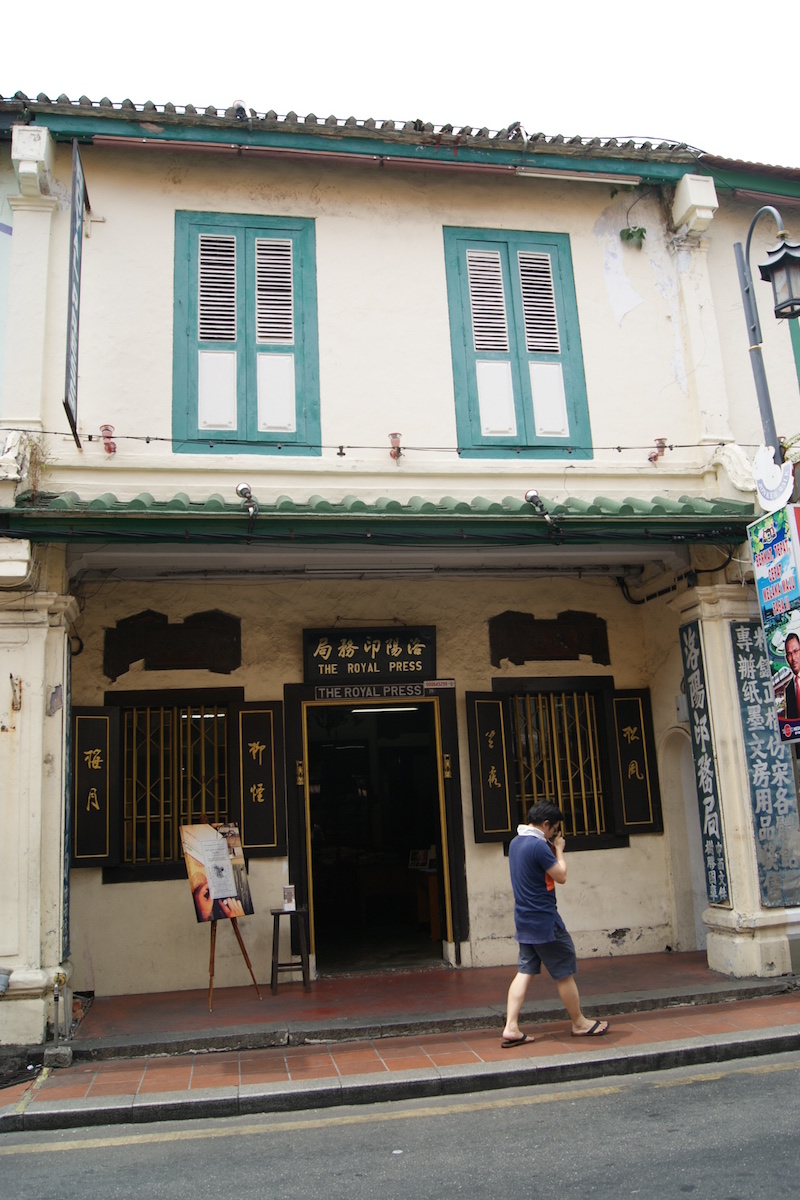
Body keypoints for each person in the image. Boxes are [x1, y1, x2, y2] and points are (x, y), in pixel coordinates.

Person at [501, 800, 609, 1047]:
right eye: (554, 829)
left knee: (525, 971)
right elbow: (560, 876)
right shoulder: (538, 845)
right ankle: (580, 1023)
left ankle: (511, 1026)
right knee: (564, 972)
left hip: (524, 919)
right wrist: (558, 849)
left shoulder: (516, 843)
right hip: (545, 920)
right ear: (546, 824)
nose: (554, 834)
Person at [783, 632, 800, 718]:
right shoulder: (788, 690)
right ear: (786, 659)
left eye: (795, 651)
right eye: (789, 654)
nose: (793, 658)